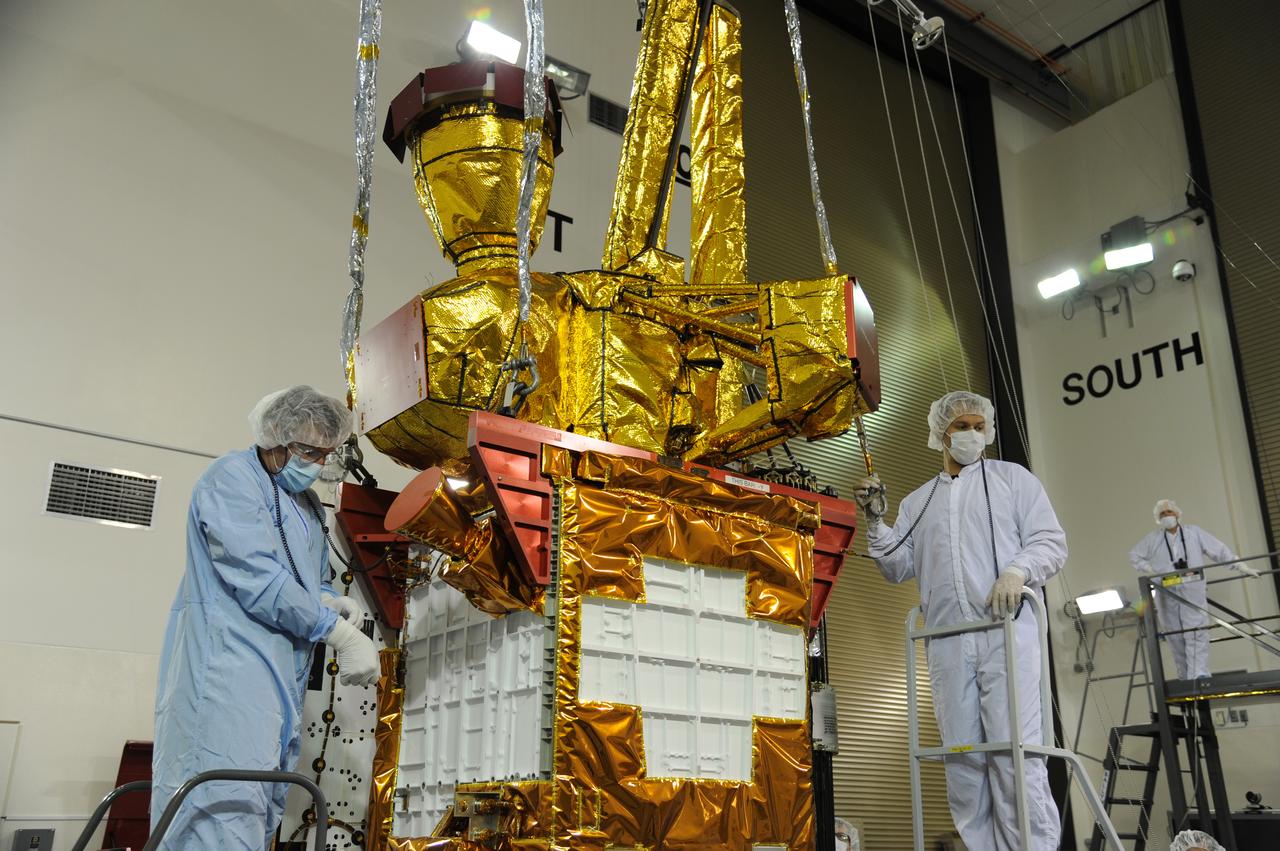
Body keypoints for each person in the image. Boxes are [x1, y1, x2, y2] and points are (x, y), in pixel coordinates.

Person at [151, 386, 380, 850]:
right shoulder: (231, 480)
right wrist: (338, 634)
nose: (316, 463)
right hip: (227, 673)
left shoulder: (308, 506)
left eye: (325, 453)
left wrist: (330, 601)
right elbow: (256, 577)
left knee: (258, 807)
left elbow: (306, 579)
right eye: (309, 451)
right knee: (221, 807)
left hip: (278, 682)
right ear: (275, 438)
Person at [853, 391, 1066, 851]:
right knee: (963, 761)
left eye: (978, 426)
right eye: (961, 426)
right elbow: (895, 565)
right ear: (941, 433)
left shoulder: (1014, 481)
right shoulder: (919, 502)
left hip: (1006, 633)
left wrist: (1017, 570)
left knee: (1014, 756)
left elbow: (1050, 541)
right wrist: (875, 520)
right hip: (947, 642)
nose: (971, 434)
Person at [1129, 499, 1259, 680]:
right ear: (1158, 519)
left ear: (1177, 514)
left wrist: (1241, 566)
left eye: (1169, 512)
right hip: (1167, 593)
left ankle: (1199, 674)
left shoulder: (1194, 533)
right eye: (1162, 514)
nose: (1167, 516)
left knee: (1196, 631)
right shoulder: (1154, 539)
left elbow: (1219, 551)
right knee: (1174, 636)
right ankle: (1184, 676)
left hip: (1192, 589)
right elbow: (1134, 555)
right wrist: (1150, 570)